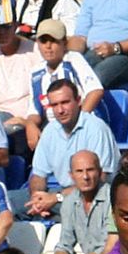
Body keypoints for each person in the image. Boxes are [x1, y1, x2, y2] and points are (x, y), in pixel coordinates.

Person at [27, 79, 119, 220]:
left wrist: (56, 198)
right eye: (54, 105)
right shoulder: (49, 131)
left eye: (65, 102)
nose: (60, 110)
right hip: (62, 195)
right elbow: (38, 175)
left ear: (78, 101)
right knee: (10, 204)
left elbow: (98, 180)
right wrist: (37, 199)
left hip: (97, 197)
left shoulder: (96, 129)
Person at [44, 150, 117, 254]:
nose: (85, 176)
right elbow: (65, 244)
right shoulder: (69, 202)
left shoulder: (112, 199)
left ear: (100, 172)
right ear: (71, 175)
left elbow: (105, 249)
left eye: (90, 170)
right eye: (79, 171)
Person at [24, 18, 102, 150]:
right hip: (53, 132)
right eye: (43, 41)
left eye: (53, 41)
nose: (48, 46)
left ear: (64, 43)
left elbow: (95, 91)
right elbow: (34, 110)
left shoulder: (73, 60)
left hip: (82, 126)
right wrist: (30, 125)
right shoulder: (36, 73)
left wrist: (76, 124)